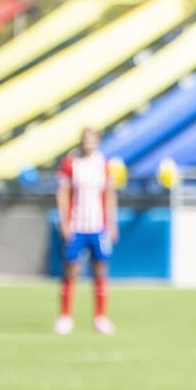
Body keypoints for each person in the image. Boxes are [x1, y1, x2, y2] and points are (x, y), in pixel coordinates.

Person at [55, 127, 118, 335]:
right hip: (77, 225)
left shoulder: (103, 164)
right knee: (70, 269)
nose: (88, 143)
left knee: (101, 270)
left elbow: (109, 195)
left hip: (97, 226)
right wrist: (64, 222)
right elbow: (63, 193)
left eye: (92, 139)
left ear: (98, 142)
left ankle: (100, 317)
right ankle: (65, 316)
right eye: (85, 139)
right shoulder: (71, 163)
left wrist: (112, 223)